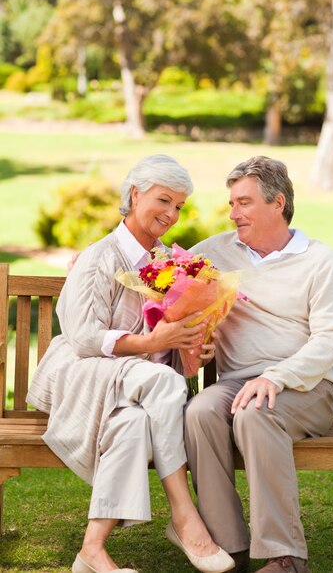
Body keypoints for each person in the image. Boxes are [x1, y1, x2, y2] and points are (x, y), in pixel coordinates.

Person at [27, 154, 235, 573]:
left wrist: (192, 345)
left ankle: (92, 553)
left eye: (179, 206)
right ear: (134, 194)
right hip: (87, 375)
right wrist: (150, 341)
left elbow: (170, 337)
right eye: (164, 200)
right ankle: (184, 515)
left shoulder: (170, 265)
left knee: (134, 423)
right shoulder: (98, 258)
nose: (172, 214)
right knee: (163, 385)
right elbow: (84, 338)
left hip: (136, 391)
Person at [184, 156, 333, 573]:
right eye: (231, 203)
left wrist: (276, 376)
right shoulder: (215, 252)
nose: (233, 212)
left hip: (306, 386)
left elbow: (330, 336)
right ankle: (228, 548)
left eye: (244, 203)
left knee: (254, 415)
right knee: (200, 411)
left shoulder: (319, 259)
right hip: (239, 382)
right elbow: (158, 272)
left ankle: (286, 556)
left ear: (278, 203)